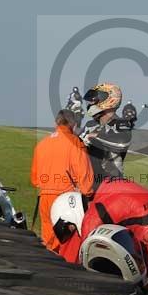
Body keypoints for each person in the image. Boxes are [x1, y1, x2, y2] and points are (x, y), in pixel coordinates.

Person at [30, 109, 94, 254]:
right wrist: (87, 195)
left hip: (45, 197)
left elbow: (35, 179)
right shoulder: (75, 142)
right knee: (66, 244)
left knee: (48, 240)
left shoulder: (42, 144)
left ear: (56, 123)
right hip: (66, 200)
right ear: (74, 125)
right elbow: (85, 178)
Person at [79, 83, 132, 191]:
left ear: (109, 100)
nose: (91, 103)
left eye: (95, 100)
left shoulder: (121, 123)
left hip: (111, 185)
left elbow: (122, 143)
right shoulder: (90, 124)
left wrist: (94, 137)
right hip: (88, 182)